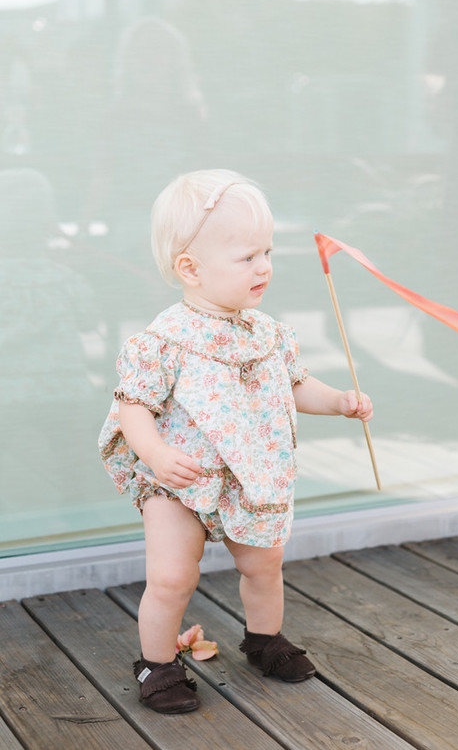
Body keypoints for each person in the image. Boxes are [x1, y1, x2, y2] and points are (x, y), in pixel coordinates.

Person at [98, 169, 373, 715]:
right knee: (172, 576)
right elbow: (134, 404)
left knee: (263, 565)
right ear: (190, 269)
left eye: (267, 252)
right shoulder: (165, 340)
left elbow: (295, 386)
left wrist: (339, 400)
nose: (264, 266)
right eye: (247, 257)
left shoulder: (268, 333)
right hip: (181, 479)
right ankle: (157, 663)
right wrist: (154, 453)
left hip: (252, 476)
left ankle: (265, 639)